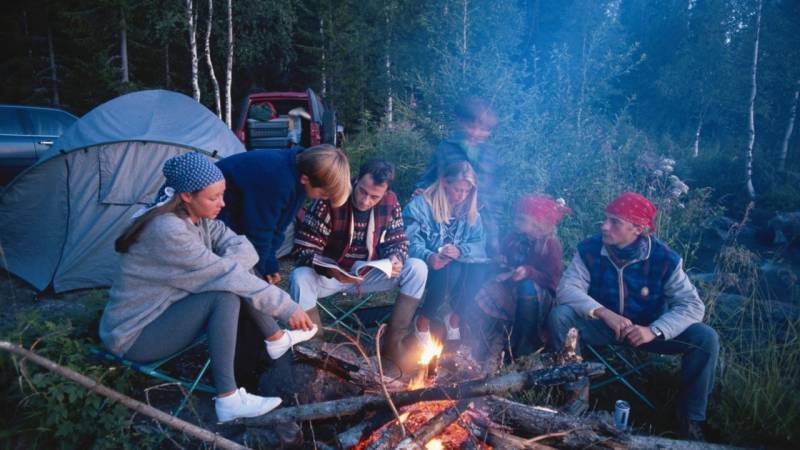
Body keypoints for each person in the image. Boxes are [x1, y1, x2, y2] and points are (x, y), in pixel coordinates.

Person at [99, 152, 318, 423]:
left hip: (166, 313)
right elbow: (226, 273)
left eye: (223, 195)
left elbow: (241, 245)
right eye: (214, 198)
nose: (222, 203)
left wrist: (229, 268)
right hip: (134, 335)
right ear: (187, 195)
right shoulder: (167, 230)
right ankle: (228, 399)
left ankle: (275, 339)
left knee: (232, 273)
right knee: (224, 294)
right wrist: (287, 307)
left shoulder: (195, 217)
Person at [549, 192, 719, 440]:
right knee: (560, 316)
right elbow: (567, 289)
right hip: (601, 326)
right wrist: (603, 313)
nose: (605, 226)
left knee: (706, 338)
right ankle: (575, 397)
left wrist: (654, 330)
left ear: (638, 229)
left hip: (648, 332)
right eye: (605, 219)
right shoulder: (590, 249)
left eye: (615, 222)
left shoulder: (664, 259)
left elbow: (692, 306)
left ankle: (690, 420)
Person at [290, 159, 428, 359]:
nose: (365, 201)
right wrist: (331, 270)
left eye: (374, 197)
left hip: (369, 275)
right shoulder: (331, 199)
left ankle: (393, 345)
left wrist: (396, 257)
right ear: (356, 181)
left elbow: (398, 240)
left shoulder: (390, 202)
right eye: (362, 191)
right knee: (299, 277)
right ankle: (314, 350)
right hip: (331, 276)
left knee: (418, 268)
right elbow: (303, 248)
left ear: (385, 192)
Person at [216, 144, 351, 285]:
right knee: (241, 274)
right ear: (305, 179)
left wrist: (270, 265)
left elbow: (279, 227)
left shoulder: (300, 170)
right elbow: (258, 231)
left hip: (239, 209)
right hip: (215, 209)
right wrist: (260, 271)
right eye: (323, 194)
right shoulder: (279, 179)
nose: (324, 199)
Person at [472, 194, 569, 358]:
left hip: (539, 299)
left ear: (536, 223)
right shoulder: (513, 238)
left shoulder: (549, 244)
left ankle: (525, 346)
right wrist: (499, 260)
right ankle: (484, 340)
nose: (516, 223)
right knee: (486, 286)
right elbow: (501, 259)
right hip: (511, 287)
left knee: (527, 286)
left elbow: (552, 280)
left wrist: (528, 272)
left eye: (521, 220)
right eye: (516, 219)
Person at [403, 161, 487, 346]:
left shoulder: (471, 212)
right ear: (444, 183)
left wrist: (460, 250)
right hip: (425, 264)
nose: (462, 196)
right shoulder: (421, 206)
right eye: (458, 190)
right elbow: (408, 241)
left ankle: (454, 319)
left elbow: (479, 244)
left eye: (467, 192)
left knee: (480, 269)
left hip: (453, 262)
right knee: (451, 270)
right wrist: (429, 256)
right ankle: (423, 321)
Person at [415, 97, 500, 256]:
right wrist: (421, 189)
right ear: (461, 122)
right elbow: (430, 176)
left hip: (481, 215)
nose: (476, 133)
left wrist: (493, 215)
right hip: (453, 212)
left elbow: (493, 188)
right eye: (471, 126)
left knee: (484, 256)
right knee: (449, 254)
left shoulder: (490, 152)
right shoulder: (446, 147)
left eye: (483, 130)